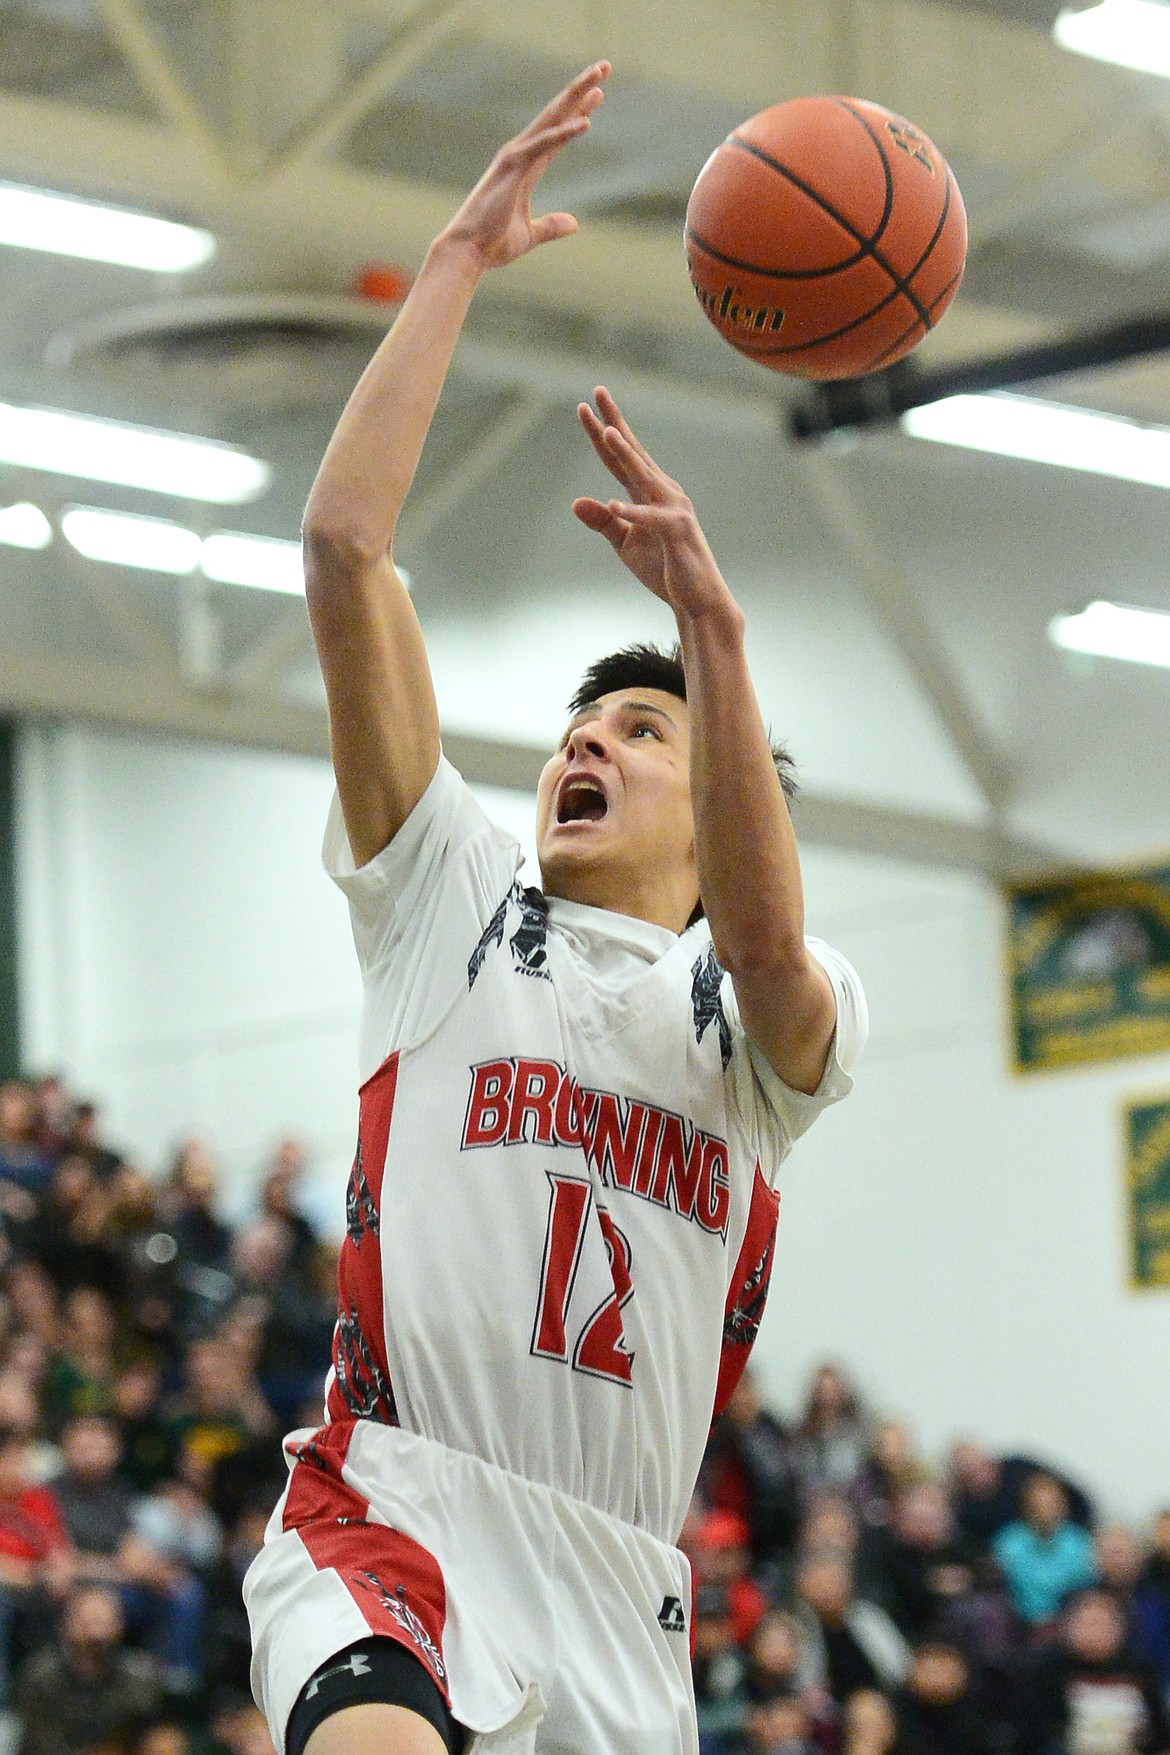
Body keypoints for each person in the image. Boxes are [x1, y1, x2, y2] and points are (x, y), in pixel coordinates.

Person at [243, 59, 866, 1755]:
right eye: (580, 729)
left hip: (616, 1599)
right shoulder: (448, 900)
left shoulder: (759, 1023)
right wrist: (449, 262)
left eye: (639, 731)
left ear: (723, 790)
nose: (586, 742)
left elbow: (759, 936)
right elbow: (345, 551)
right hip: (396, 1519)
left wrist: (711, 634)